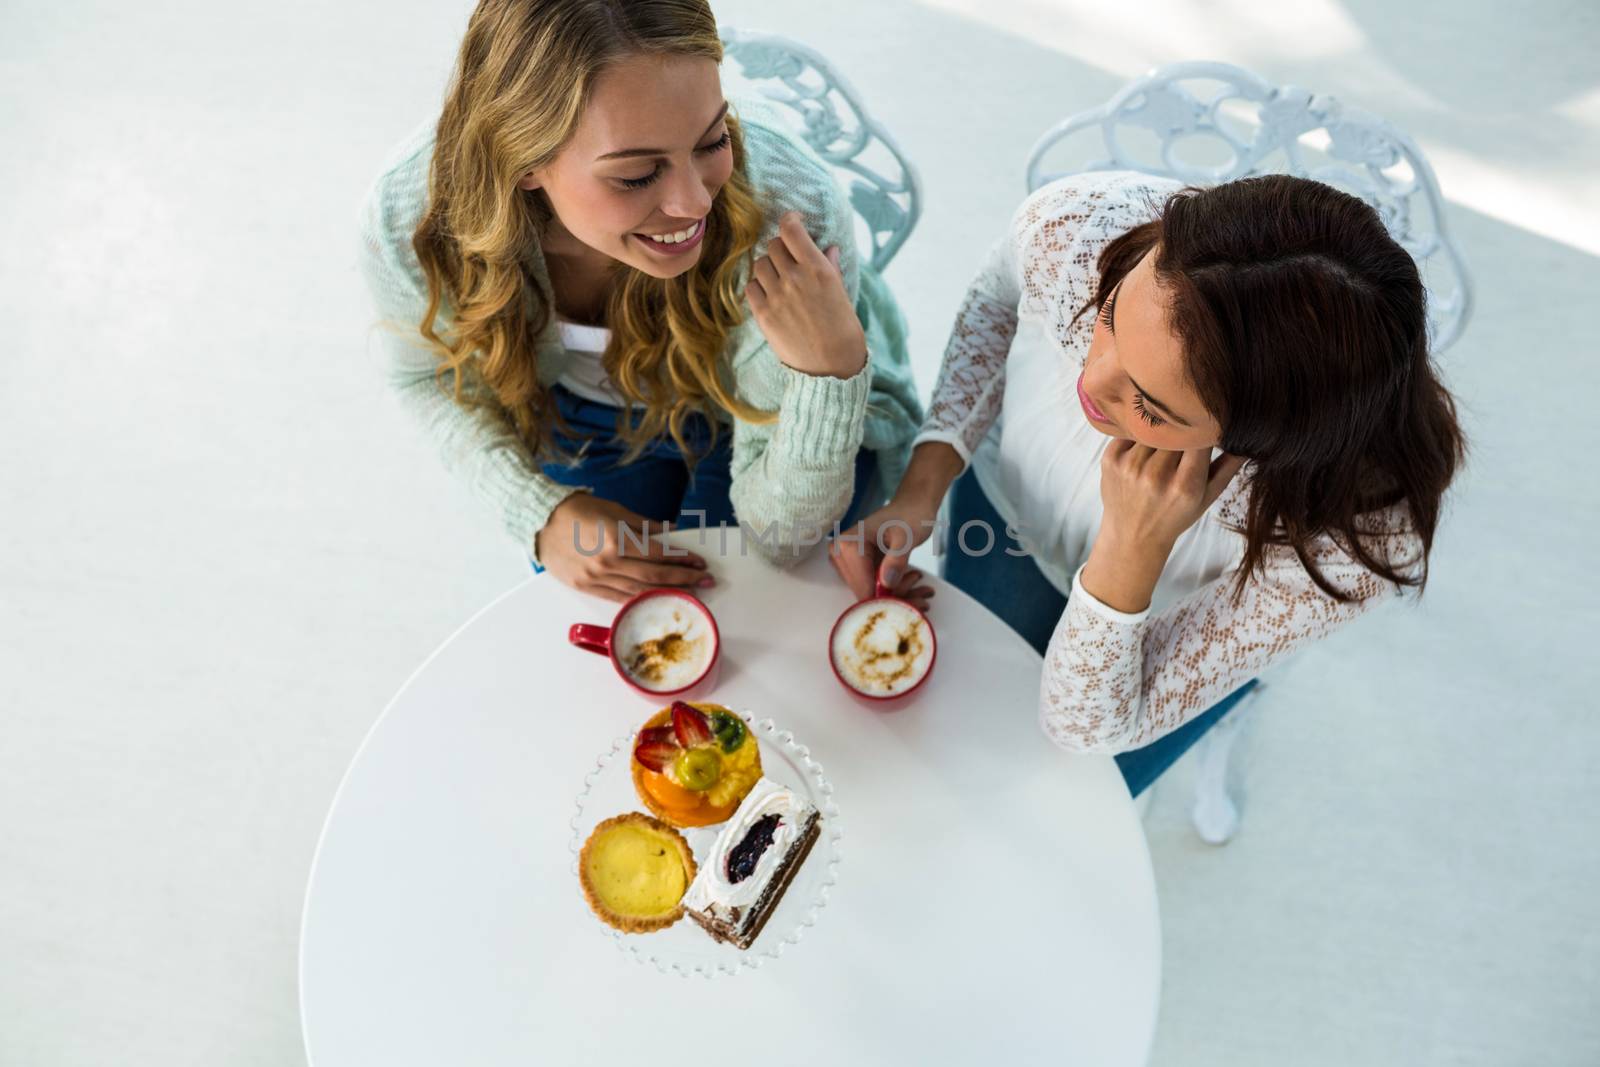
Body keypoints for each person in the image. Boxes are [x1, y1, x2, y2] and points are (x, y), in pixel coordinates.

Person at [832, 170, 1465, 795]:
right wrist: (926, 479)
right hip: (1009, 512)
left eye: (1152, 406)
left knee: (1053, 800)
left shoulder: (1362, 535)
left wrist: (1130, 550)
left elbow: (1082, 729)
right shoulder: (1080, 227)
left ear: (1263, 444)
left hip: (1163, 617)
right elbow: (999, 299)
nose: (1092, 380)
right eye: (1110, 318)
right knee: (949, 728)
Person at [360, 0, 921, 602]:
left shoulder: (790, 212)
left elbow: (780, 535)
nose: (694, 203)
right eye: (635, 176)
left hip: (768, 413)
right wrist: (539, 515)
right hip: (579, 414)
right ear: (522, 159)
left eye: (712, 141)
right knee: (631, 628)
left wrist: (825, 375)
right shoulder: (411, 217)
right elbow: (425, 381)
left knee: (744, 601)